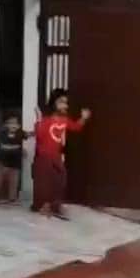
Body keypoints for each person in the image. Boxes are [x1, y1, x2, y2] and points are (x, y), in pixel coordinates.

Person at [32, 88, 90, 220]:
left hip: (56, 156)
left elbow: (76, 127)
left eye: (66, 103)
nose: (65, 105)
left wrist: (83, 118)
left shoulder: (64, 120)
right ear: (54, 103)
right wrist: (39, 120)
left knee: (61, 179)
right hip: (44, 156)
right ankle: (44, 205)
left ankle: (56, 205)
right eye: (62, 102)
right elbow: (39, 136)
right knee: (45, 181)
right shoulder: (46, 120)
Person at [0, 112, 28, 204]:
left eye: (15, 123)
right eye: (10, 123)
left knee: (14, 179)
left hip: (14, 159)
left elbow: (29, 135)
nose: (13, 125)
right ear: (5, 125)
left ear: (19, 125)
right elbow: (4, 147)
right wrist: (19, 148)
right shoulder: (3, 133)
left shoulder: (20, 133)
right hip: (2, 159)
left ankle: (12, 198)